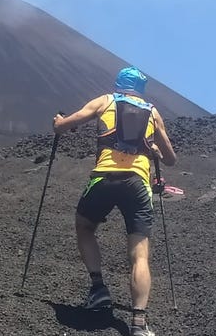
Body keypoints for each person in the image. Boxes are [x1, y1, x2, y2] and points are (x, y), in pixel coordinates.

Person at [52, 66, 177, 336]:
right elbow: (170, 159)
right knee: (140, 254)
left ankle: (98, 289)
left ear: (119, 84)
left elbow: (65, 125)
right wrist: (153, 148)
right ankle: (139, 325)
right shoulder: (153, 112)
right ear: (141, 89)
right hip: (138, 184)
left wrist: (58, 122)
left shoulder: (105, 100)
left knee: (84, 225)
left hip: (104, 178)